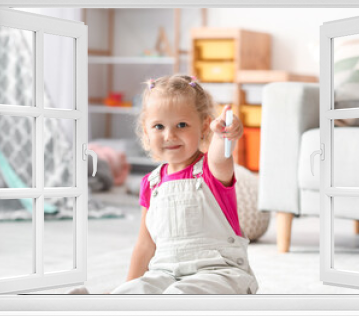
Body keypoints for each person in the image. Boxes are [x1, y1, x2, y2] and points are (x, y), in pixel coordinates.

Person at [70, 74, 258, 295]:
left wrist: (223, 136)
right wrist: (126, 291)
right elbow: (145, 245)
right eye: (159, 126)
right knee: (139, 290)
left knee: (180, 294)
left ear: (205, 126)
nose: (170, 135)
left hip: (217, 273)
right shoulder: (151, 183)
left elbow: (219, 155)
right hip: (165, 273)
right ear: (146, 130)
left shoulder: (212, 170)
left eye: (182, 125)